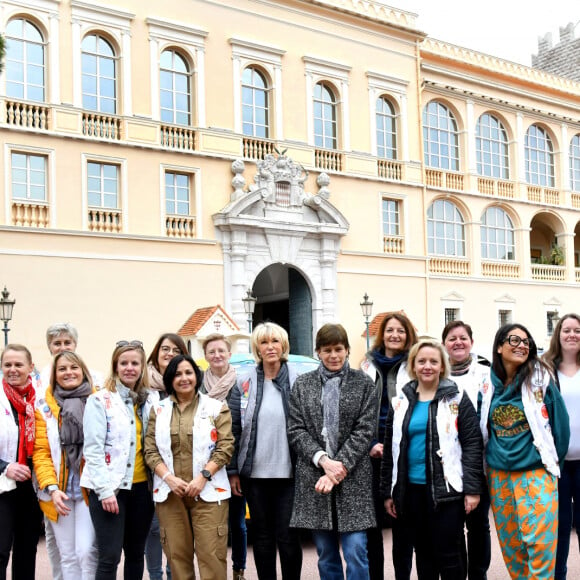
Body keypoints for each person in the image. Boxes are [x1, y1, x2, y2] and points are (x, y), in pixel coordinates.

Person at [380, 339, 483, 580]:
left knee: (449, 556)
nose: (428, 366)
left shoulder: (457, 398)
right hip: (411, 492)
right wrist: (388, 493)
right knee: (423, 555)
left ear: (442, 366)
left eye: (433, 361)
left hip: (447, 492)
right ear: (414, 366)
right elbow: (390, 451)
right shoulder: (401, 402)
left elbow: (472, 445)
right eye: (422, 361)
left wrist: (473, 489)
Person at [288, 323, 377, 579]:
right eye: (327, 350)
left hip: (353, 479)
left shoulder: (363, 383)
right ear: (318, 352)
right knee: (326, 555)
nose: (333, 355)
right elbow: (296, 429)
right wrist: (323, 461)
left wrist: (337, 469)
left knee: (356, 550)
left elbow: (365, 430)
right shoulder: (303, 385)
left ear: (347, 350)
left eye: (338, 349)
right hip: (315, 479)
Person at [484, 323, 570, 579]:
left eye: (526, 341)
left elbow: (561, 428)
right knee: (513, 551)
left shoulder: (541, 380)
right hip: (499, 478)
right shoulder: (486, 385)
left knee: (540, 549)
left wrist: (551, 468)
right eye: (514, 340)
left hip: (535, 474)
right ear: (499, 347)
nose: (522, 345)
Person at [144, 354, 234, 580]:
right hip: (170, 494)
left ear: (196, 375)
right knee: (177, 558)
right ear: (170, 380)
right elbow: (150, 450)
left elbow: (225, 446)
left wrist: (203, 477)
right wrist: (169, 479)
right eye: (177, 374)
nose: (183, 378)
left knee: (211, 557)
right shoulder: (159, 409)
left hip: (209, 493)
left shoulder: (216, 407)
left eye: (188, 372)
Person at [229, 322, 303, 580]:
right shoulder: (244, 381)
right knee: (261, 536)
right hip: (255, 474)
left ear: (283, 345)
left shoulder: (298, 378)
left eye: (275, 341)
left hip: (290, 473)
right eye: (264, 342)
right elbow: (234, 429)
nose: (270, 347)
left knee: (288, 536)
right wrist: (233, 471)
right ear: (256, 348)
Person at [81, 340, 157, 580]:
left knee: (135, 554)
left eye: (135, 363)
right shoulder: (100, 400)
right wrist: (104, 491)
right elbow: (92, 450)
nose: (129, 368)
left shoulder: (150, 400)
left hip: (142, 489)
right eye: (124, 363)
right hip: (109, 489)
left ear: (142, 367)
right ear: (115, 366)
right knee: (110, 556)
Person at [39, 322, 103, 580]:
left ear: (83, 370)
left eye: (74, 367)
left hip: (89, 487)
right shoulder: (44, 404)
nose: (68, 373)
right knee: (65, 554)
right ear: (54, 374)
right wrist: (51, 489)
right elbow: (41, 452)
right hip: (59, 490)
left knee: (86, 551)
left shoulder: (98, 400)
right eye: (62, 369)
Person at [361, 311, 417, 580]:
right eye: (390, 330)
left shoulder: (416, 364)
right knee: (373, 526)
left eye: (400, 331)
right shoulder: (366, 365)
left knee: (402, 524)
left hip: (402, 452)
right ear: (381, 334)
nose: (395, 335)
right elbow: (358, 410)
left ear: (408, 336)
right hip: (371, 452)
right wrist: (371, 443)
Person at [442, 321, 492, 580]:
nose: (458, 342)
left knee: (479, 525)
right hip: (448, 463)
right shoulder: (438, 376)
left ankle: (478, 573)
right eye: (452, 339)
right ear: (444, 345)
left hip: (480, 461)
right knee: (453, 525)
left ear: (471, 342)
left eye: (463, 337)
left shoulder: (486, 374)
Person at [199, 333, 247, 580]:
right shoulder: (199, 385)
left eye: (221, 351)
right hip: (205, 465)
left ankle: (239, 569)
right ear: (205, 356)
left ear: (229, 353)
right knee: (211, 525)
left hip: (234, 464)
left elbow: (241, 429)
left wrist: (234, 470)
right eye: (211, 352)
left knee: (237, 523)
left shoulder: (241, 383)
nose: (216, 355)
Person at [145, 332, 188, 580]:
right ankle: (155, 575)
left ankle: (175, 575)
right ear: (156, 353)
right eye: (165, 349)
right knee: (152, 529)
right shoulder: (143, 385)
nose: (169, 354)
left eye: (175, 349)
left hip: (181, 470)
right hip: (150, 468)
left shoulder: (187, 384)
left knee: (176, 531)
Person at [0, 344, 43, 580]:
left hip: (32, 485)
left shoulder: (40, 398)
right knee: (0, 550)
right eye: (7, 365)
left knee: (27, 551)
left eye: (18, 364)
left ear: (30, 367)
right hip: (2, 486)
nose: (13, 369)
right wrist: (5, 466)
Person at [543, 314, 580, 580]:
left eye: (577, 331)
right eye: (566, 330)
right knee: (559, 528)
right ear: (558, 334)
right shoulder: (545, 370)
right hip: (557, 464)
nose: (572, 335)